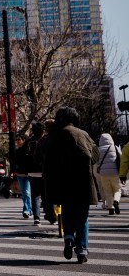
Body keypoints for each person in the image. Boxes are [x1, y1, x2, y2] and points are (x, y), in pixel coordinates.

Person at [43, 106, 98, 264]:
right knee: (82, 218)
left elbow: (42, 155)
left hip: (61, 184)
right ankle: (81, 250)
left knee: (67, 213)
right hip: (82, 183)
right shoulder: (82, 134)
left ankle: (68, 238)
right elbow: (94, 155)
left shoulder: (52, 137)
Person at [96, 133, 122, 215]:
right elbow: (121, 158)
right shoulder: (115, 148)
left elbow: (96, 162)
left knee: (108, 191)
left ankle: (111, 208)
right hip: (115, 173)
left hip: (103, 174)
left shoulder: (98, 150)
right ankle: (116, 201)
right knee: (117, 189)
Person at [26, 122, 45, 225]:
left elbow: (23, 156)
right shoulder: (46, 140)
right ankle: (49, 213)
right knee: (47, 193)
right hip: (44, 170)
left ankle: (37, 218)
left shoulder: (28, 142)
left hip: (32, 171)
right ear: (43, 131)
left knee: (35, 195)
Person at [13, 134, 33, 219]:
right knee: (24, 193)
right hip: (19, 174)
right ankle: (29, 210)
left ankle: (27, 210)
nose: (17, 141)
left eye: (19, 139)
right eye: (16, 140)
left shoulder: (28, 150)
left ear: (24, 140)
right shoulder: (16, 151)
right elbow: (14, 163)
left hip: (28, 174)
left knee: (27, 192)